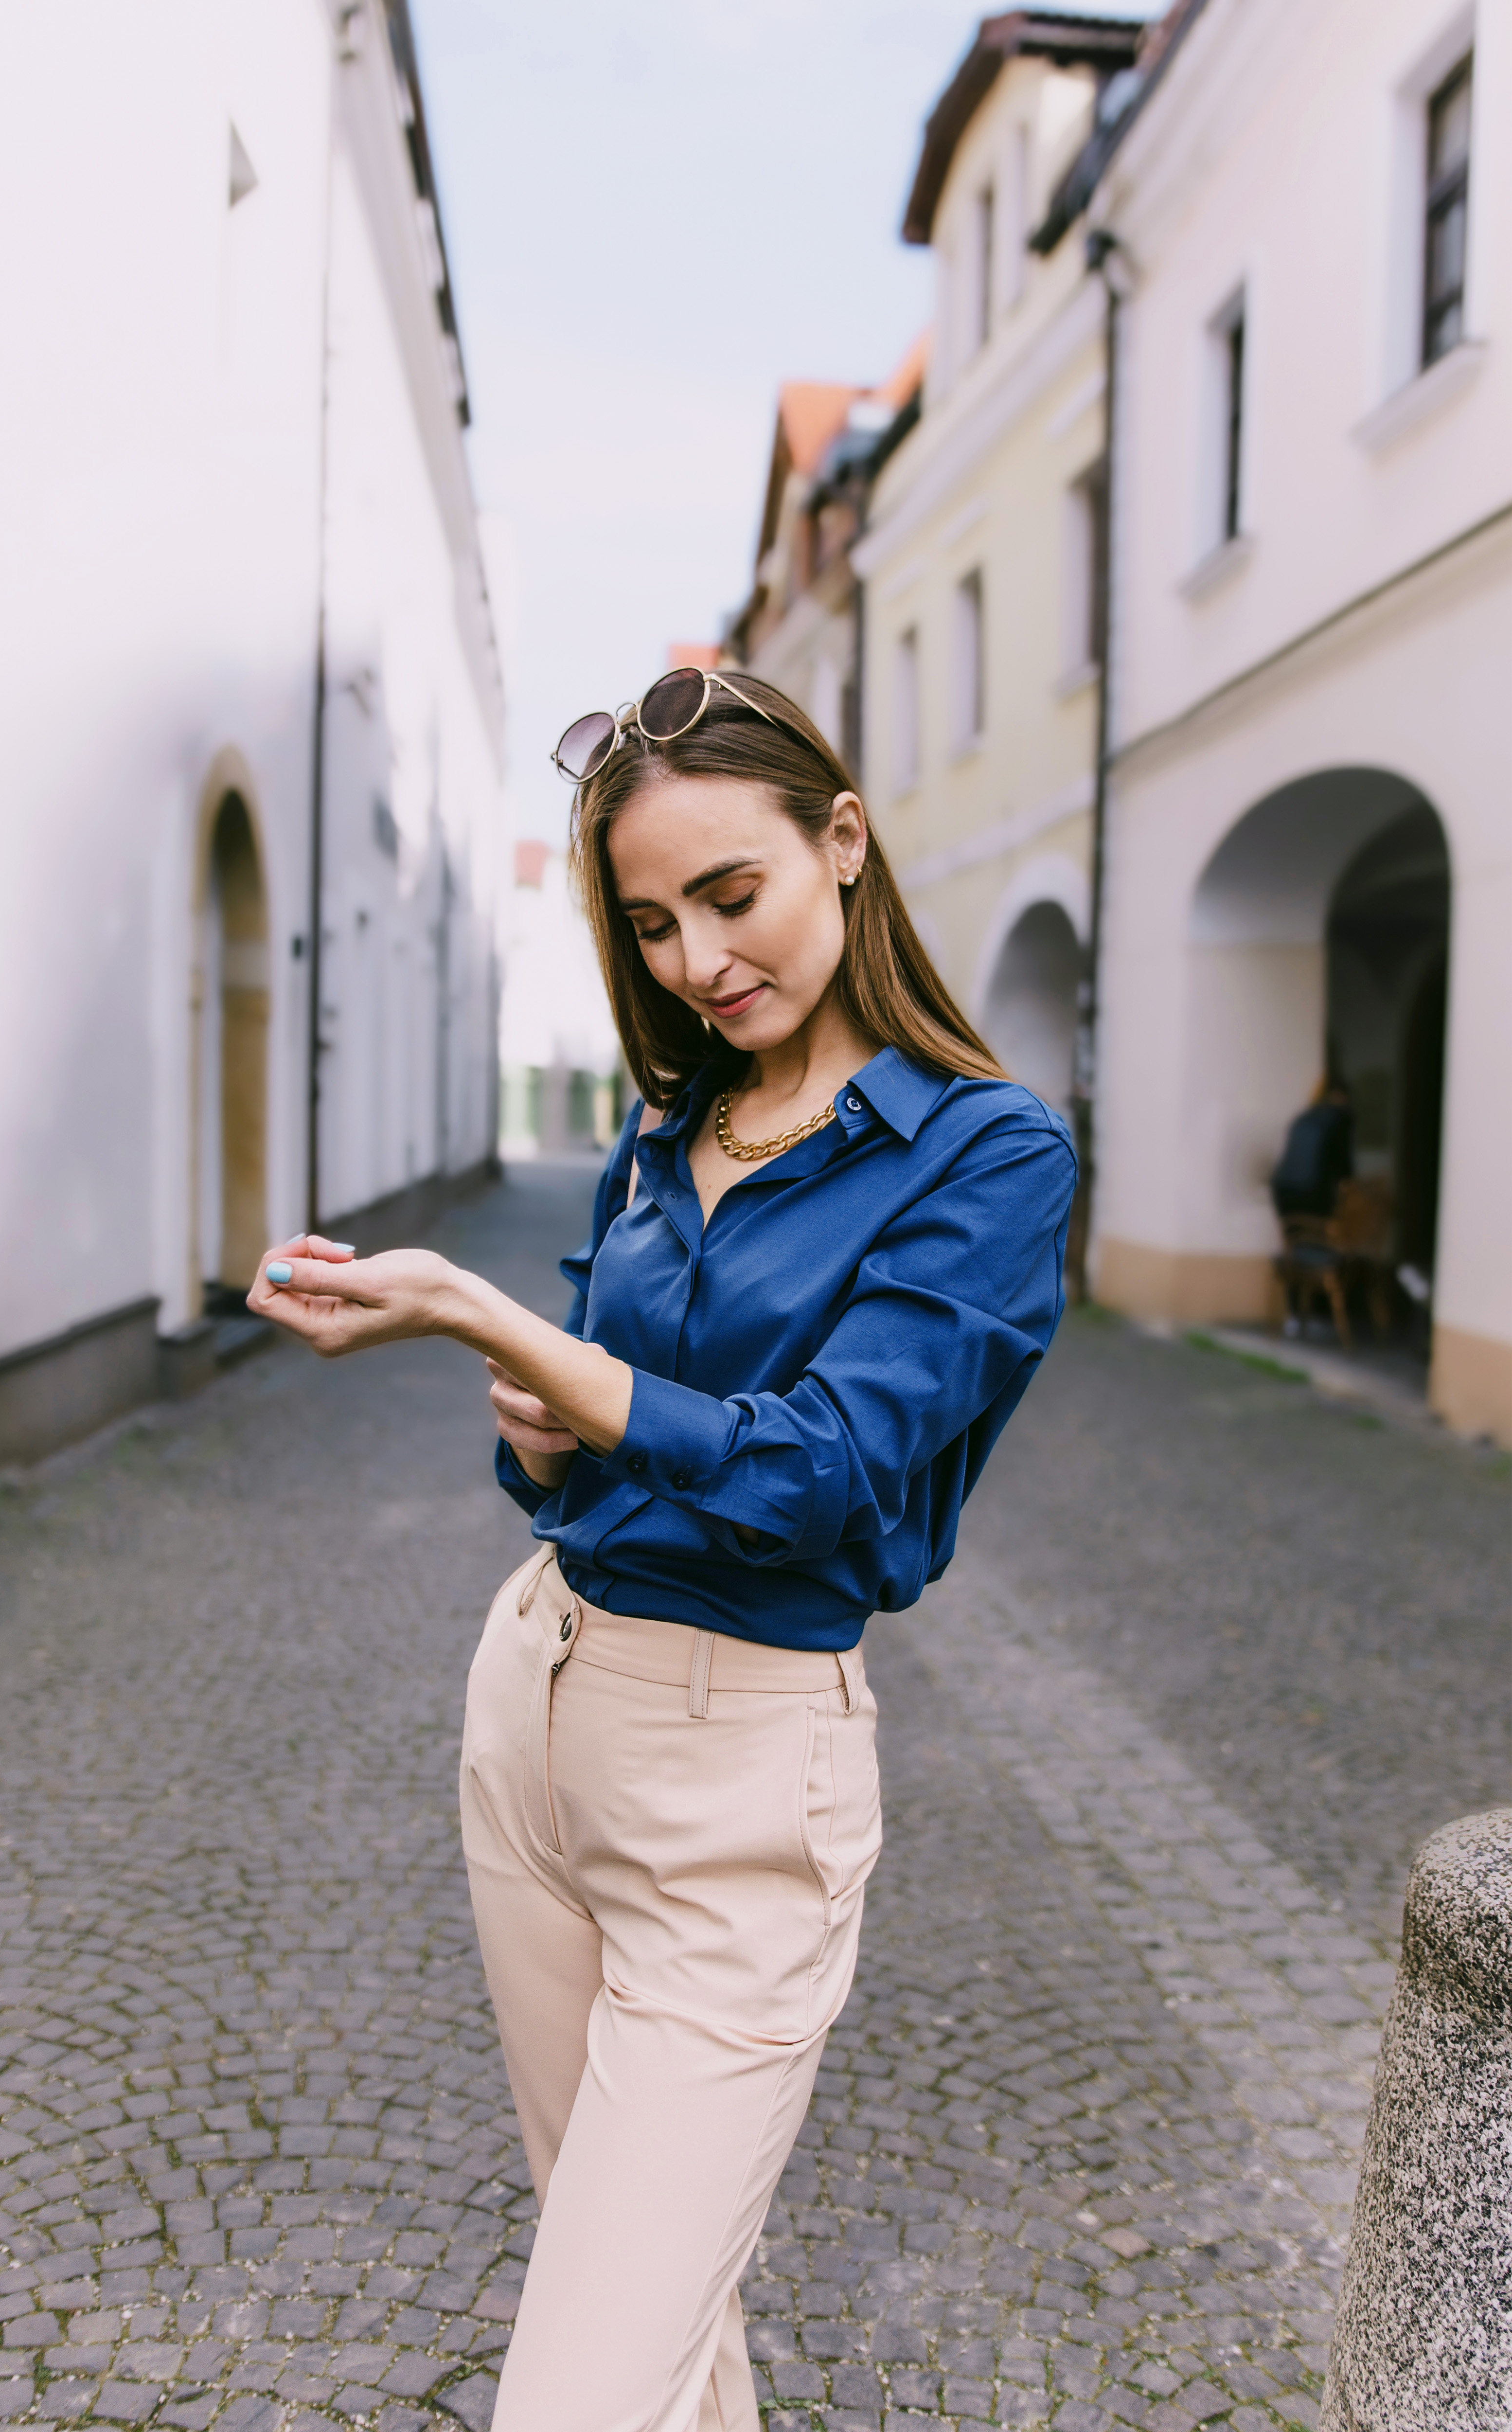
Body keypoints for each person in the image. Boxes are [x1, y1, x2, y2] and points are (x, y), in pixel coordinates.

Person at [247, 668, 1075, 2432]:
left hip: (737, 1781)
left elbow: (824, 1471)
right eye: (649, 922)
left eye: (729, 894)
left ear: (840, 841)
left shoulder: (985, 1152)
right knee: (650, 2329)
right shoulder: (667, 1121)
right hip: (532, 1714)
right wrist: (526, 1416)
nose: (699, 958)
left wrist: (493, 1319)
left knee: (577, 2389)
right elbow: (567, 1447)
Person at [1269, 1079, 1353, 1220]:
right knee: (1320, 1234)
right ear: (1343, 1097)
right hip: (1310, 1191)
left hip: (1283, 1188)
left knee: (1298, 1235)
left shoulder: (1305, 1116)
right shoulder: (1339, 1118)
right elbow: (1342, 1162)